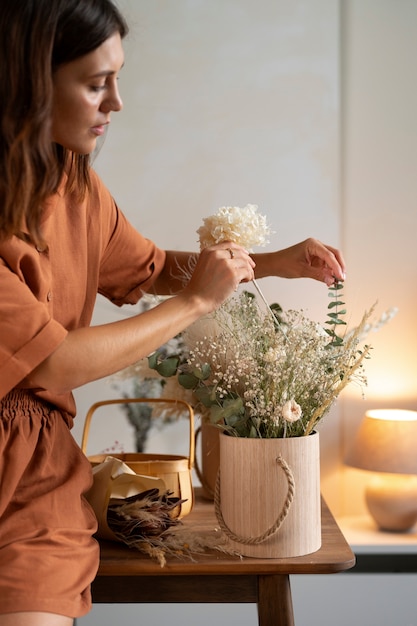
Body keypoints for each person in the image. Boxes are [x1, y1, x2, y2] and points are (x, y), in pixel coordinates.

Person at [0, 1, 346, 625]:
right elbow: (53, 361)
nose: (117, 103)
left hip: (31, 484)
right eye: (96, 83)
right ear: (28, 82)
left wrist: (269, 263)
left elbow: (151, 267)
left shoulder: (76, 184)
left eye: (118, 77)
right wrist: (196, 303)